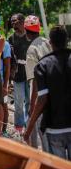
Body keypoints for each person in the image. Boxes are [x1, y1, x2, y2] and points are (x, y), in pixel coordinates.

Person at [24, 25, 71, 160]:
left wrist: (29, 128)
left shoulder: (42, 65)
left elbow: (42, 99)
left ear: (50, 43)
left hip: (54, 128)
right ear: (66, 40)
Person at [24, 15, 52, 148]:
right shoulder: (48, 42)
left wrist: (32, 106)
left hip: (41, 95)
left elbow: (35, 80)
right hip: (55, 91)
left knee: (41, 131)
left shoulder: (31, 50)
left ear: (26, 32)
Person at [8, 13, 32, 133]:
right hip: (17, 75)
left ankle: (29, 125)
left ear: (23, 22)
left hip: (30, 74)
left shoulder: (30, 36)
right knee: (18, 102)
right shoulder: (11, 38)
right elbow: (9, 58)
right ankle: (19, 127)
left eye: (16, 21)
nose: (13, 24)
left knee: (29, 101)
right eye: (12, 22)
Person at [0, 41, 12, 136]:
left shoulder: (5, 44)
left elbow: (8, 66)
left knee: (4, 105)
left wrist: (5, 85)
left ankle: (4, 131)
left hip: (1, 82)